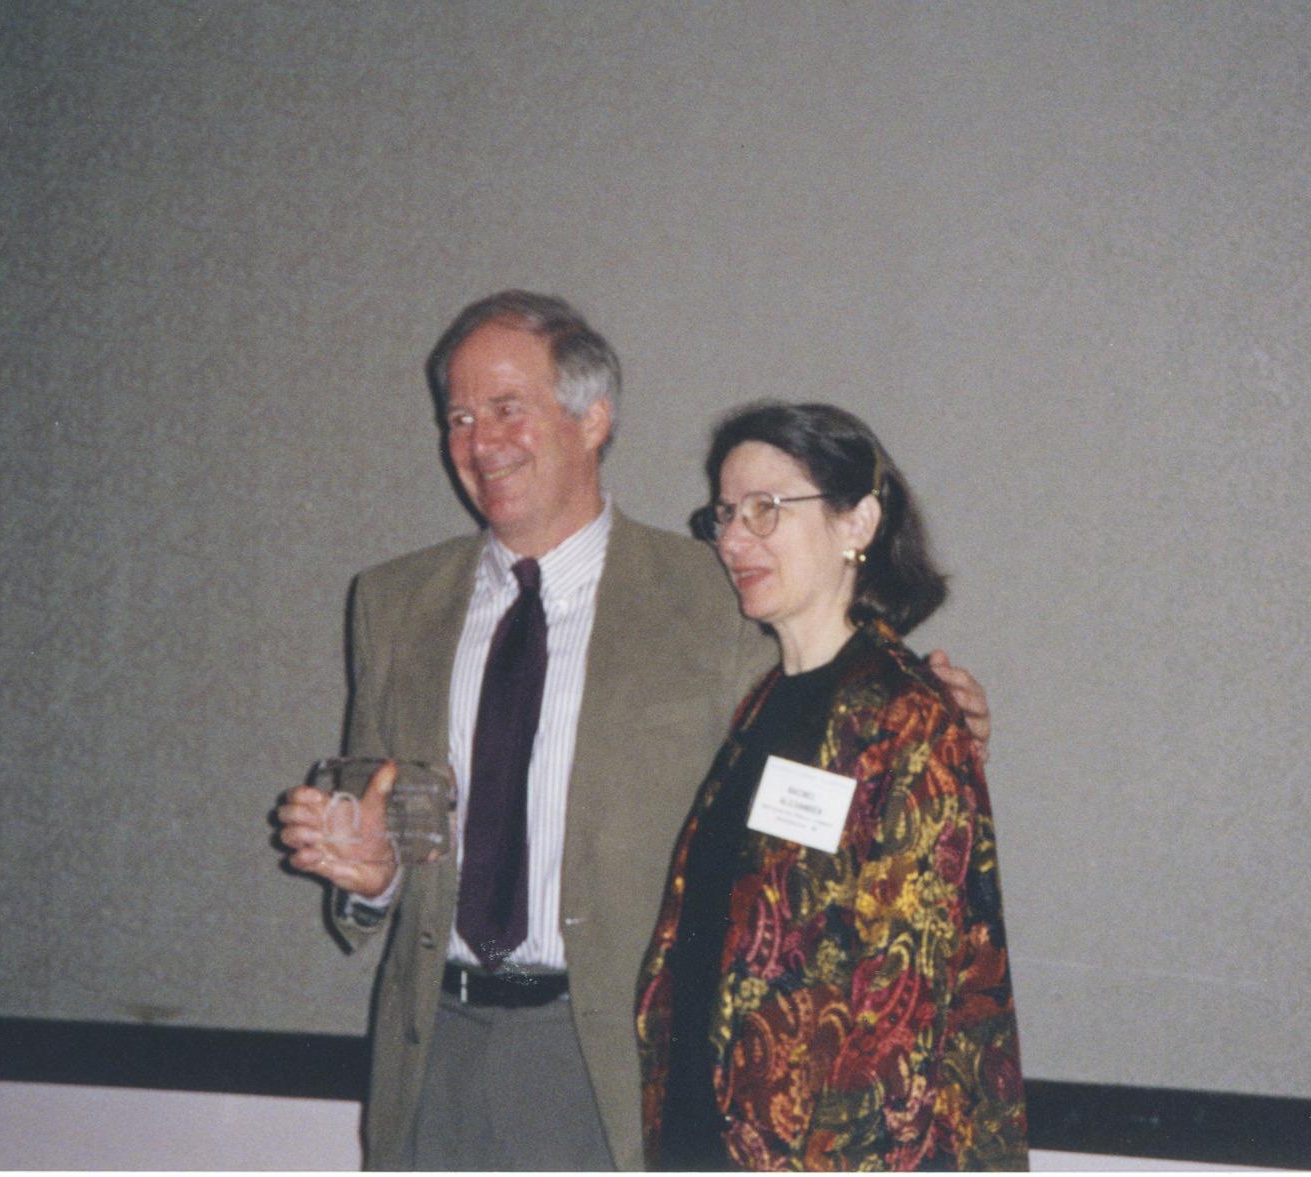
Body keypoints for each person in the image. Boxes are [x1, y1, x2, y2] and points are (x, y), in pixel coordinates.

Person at [274, 292, 996, 1170]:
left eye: (508, 407)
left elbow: (835, 731)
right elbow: (376, 832)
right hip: (433, 1058)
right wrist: (371, 877)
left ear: (594, 418)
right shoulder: (392, 605)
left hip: (611, 1060)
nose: (479, 440)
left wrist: (934, 714)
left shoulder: (716, 592)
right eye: (458, 415)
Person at [635, 402, 1030, 1170]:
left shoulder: (908, 720)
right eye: (722, 514)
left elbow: (900, 1019)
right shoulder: (763, 705)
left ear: (858, 523)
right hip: (703, 1139)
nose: (733, 539)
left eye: (765, 509)